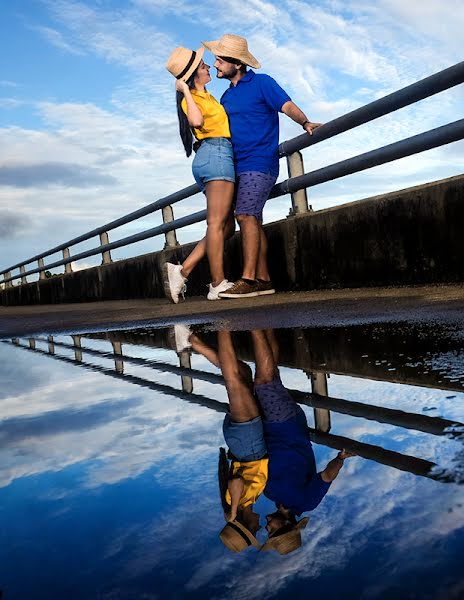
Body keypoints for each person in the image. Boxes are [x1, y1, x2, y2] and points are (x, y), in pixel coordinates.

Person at [201, 34, 322, 299]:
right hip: (236, 165)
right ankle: (265, 280)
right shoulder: (226, 97)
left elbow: (286, 105)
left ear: (238, 63)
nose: (217, 64)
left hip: (260, 162)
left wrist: (305, 122)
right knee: (251, 218)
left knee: (245, 215)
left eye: (220, 60)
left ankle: (248, 279)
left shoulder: (263, 83)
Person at [246, 328, 355, 554]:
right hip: (287, 426)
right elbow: (326, 476)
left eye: (267, 531)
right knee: (264, 381)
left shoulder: (269, 494)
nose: (267, 528)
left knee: (271, 375)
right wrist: (341, 458)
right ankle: (253, 324)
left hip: (267, 428)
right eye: (272, 531)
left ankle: (265, 323)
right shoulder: (306, 502)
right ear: (286, 526)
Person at [185, 327, 269, 552]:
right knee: (242, 372)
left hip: (247, 442)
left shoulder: (235, 502)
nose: (260, 527)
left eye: (254, 530)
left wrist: (232, 514)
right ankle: (195, 343)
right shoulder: (250, 501)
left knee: (233, 381)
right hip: (247, 443)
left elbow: (236, 481)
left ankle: (223, 324)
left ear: (245, 525)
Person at [163, 46, 236, 304]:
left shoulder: (209, 97)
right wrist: (185, 90)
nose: (208, 67)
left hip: (217, 155)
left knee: (226, 227)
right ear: (194, 75)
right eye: (203, 65)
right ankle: (217, 285)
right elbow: (195, 122)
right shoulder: (190, 99)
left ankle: (183, 270)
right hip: (215, 155)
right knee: (216, 224)